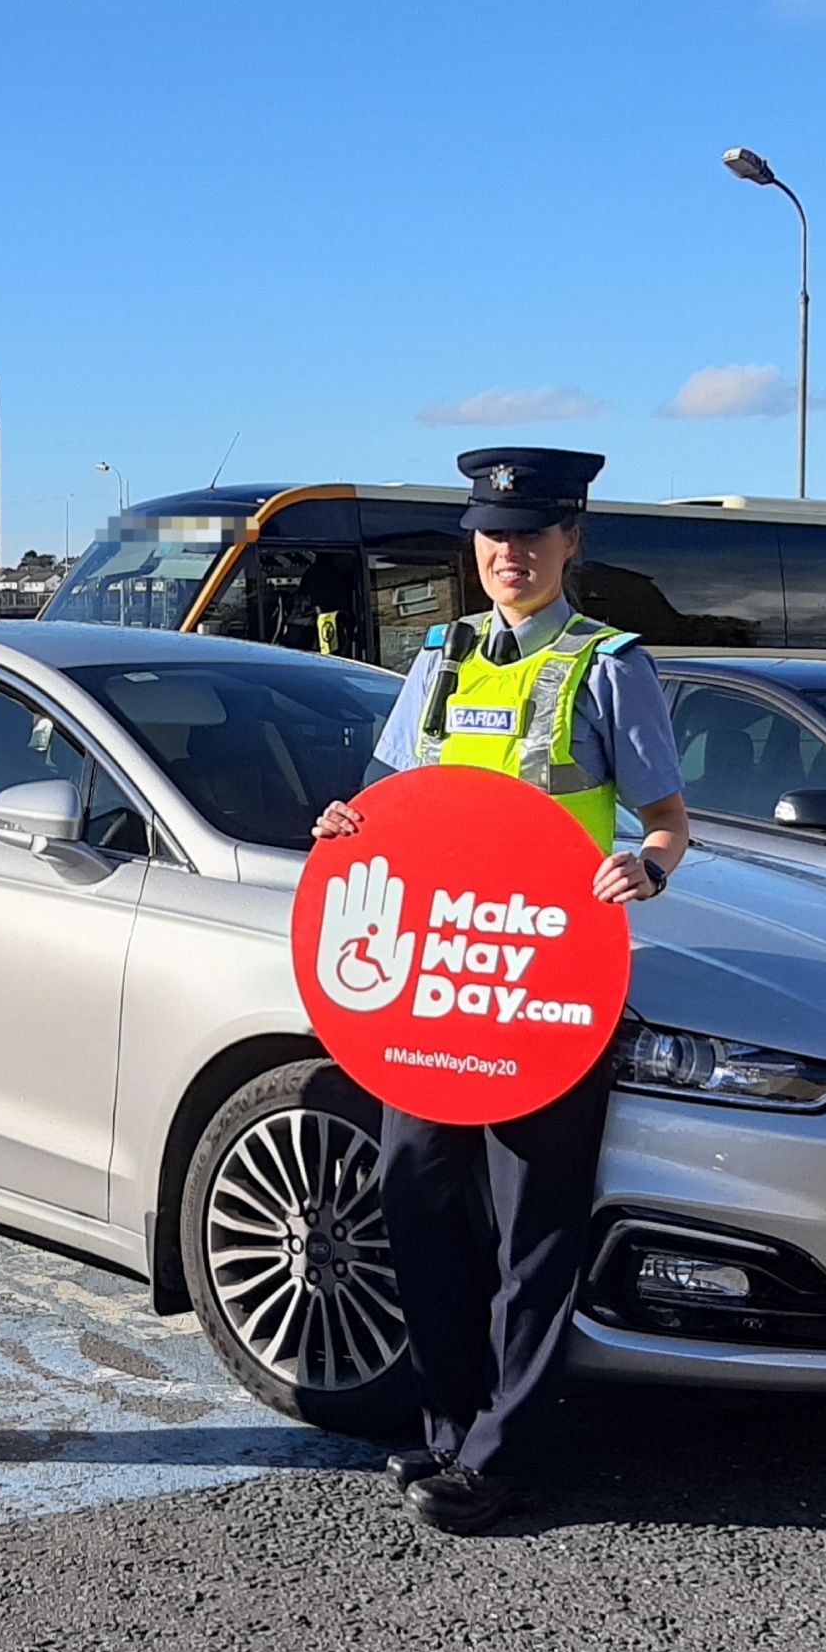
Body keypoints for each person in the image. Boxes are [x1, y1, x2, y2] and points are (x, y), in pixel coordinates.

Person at [312, 445, 689, 1536]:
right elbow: (387, 800)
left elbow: (667, 822)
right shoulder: (439, 658)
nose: (508, 552)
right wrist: (345, 824)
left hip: (550, 985)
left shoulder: (609, 665)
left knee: (536, 1233)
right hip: (438, 985)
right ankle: (449, 1426)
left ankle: (508, 1456)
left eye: (530, 534)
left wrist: (649, 865)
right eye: (492, 534)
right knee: (417, 1200)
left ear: (572, 542)